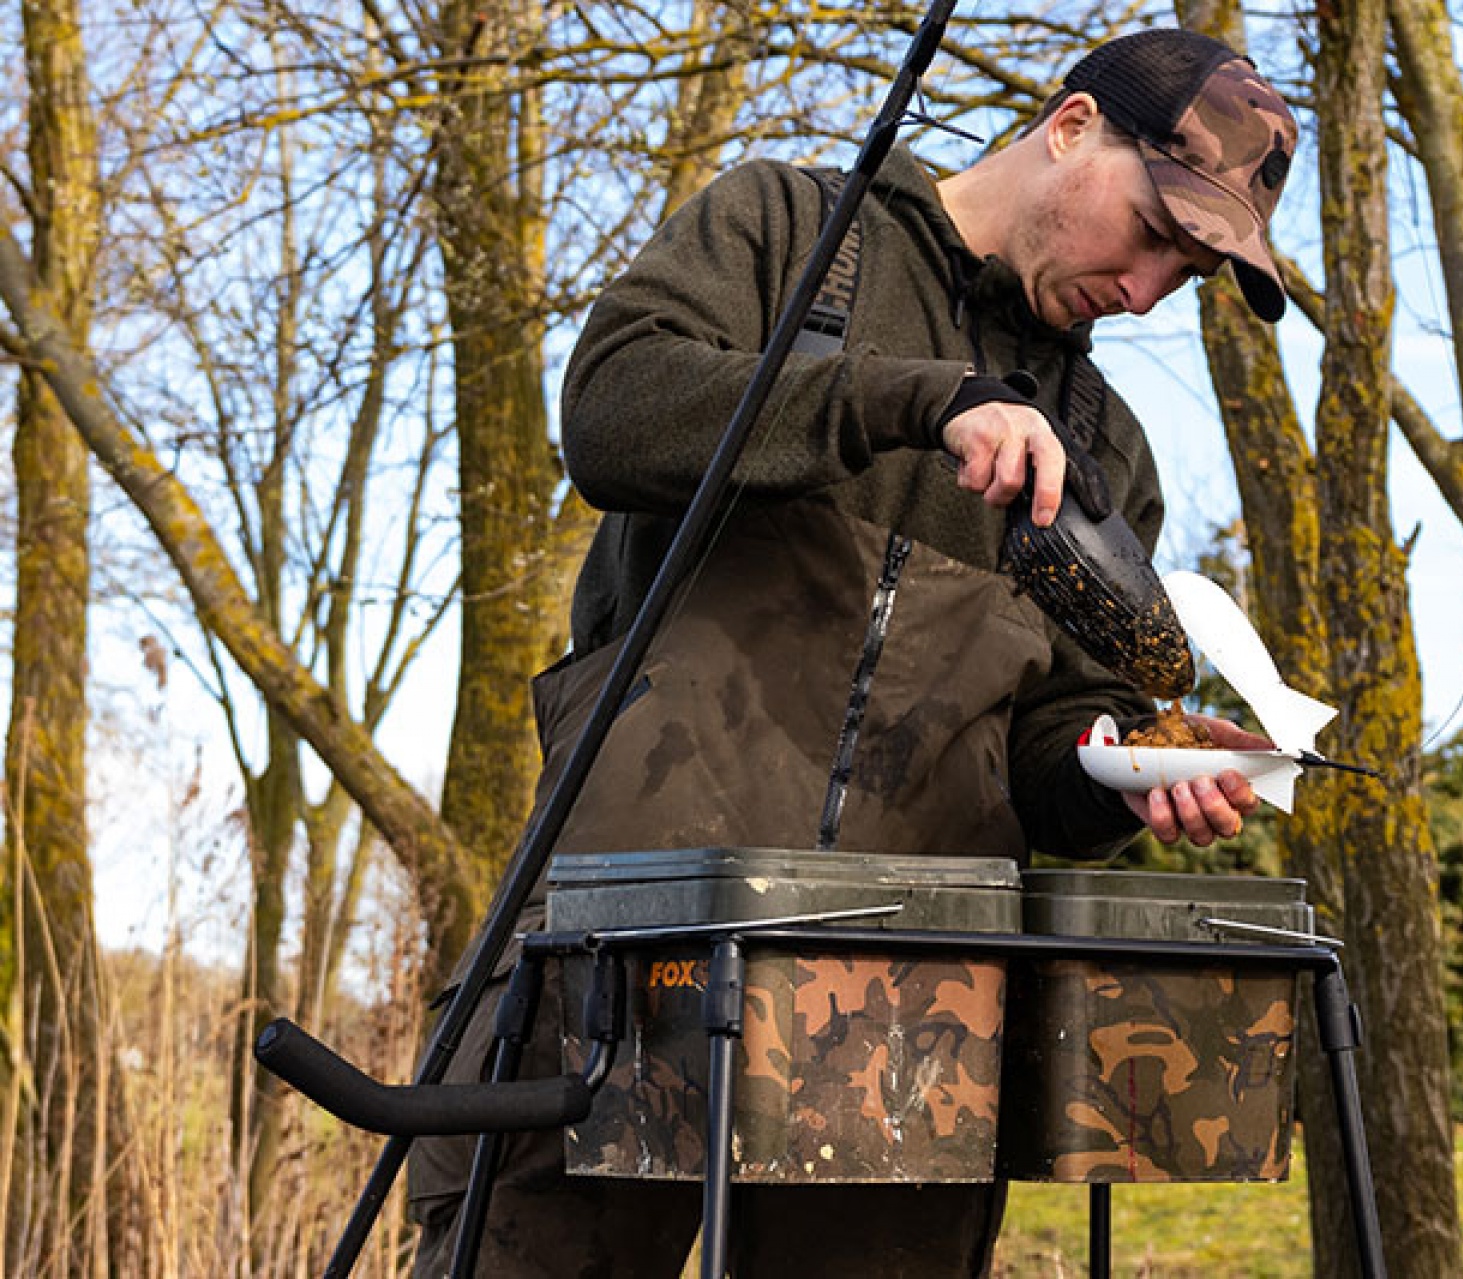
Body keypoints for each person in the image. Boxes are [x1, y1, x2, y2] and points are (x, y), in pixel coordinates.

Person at [408, 27, 1298, 1278]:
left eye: (1189, 273)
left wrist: (1125, 771)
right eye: (1155, 230)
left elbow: (1056, 739)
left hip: (901, 1032)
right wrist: (913, 401)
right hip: (614, 957)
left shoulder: (1111, 455)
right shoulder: (790, 231)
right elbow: (612, 408)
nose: (1148, 288)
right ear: (1073, 124)